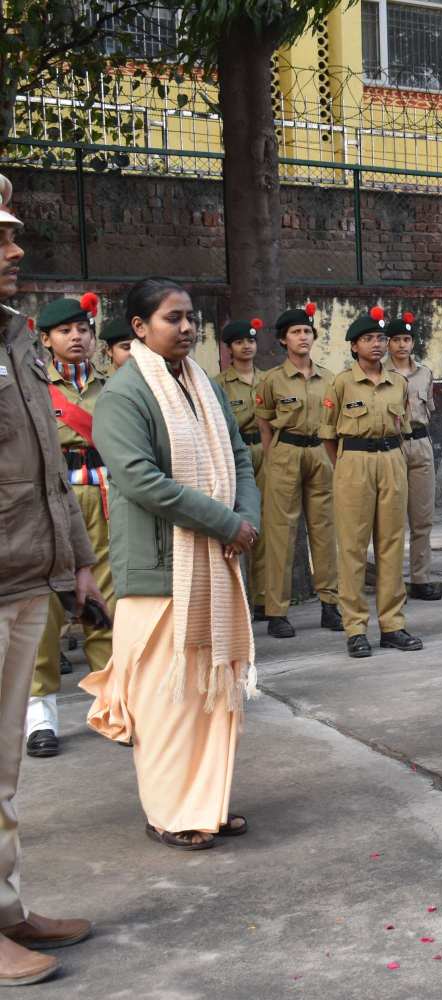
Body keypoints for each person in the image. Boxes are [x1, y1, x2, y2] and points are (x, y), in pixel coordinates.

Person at [82, 276, 259, 853]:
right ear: (139, 328)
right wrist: (224, 521)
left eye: (189, 318)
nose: (186, 328)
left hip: (215, 559)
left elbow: (238, 455)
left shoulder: (199, 383)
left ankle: (205, 805)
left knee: (212, 693)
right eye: (172, 318)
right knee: (165, 700)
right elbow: (140, 481)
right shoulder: (124, 394)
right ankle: (169, 812)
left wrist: (245, 517)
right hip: (159, 570)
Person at [0, 173, 101, 984]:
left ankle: (6, 909)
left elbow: (42, 470)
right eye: (0, 238)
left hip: (25, 572)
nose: (15, 249)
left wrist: (76, 561)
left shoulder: (13, 341)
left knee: (4, 767)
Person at [25, 294, 114, 759]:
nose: (77, 337)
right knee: (48, 607)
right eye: (65, 331)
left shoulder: (113, 384)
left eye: (83, 329)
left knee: (106, 599)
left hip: (107, 499)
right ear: (45, 339)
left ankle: (110, 703)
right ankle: (41, 712)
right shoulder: (34, 386)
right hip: (57, 503)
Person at [321, 307, 423, 659]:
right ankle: (355, 628)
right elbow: (328, 434)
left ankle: (393, 625)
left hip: (393, 459)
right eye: (368, 339)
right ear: (354, 347)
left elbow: (404, 426)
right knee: (352, 547)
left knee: (392, 544)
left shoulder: (399, 383)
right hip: (354, 462)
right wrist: (347, 465)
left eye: (380, 338)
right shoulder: (342, 383)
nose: (377, 344)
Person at [254, 303, 341, 638]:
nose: (303, 337)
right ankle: (277, 611)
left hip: (320, 452)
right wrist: (273, 457)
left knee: (325, 529)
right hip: (285, 452)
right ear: (283, 341)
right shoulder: (272, 381)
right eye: (296, 333)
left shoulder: (330, 380)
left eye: (307, 332)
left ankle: (330, 605)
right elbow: (264, 426)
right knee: (280, 534)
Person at [213, 318, 267, 619]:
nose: (247, 346)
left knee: (264, 525)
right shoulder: (218, 384)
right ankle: (238, 600)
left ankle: (263, 600)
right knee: (236, 525)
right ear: (230, 348)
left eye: (251, 341)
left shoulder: (269, 379)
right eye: (239, 342)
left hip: (266, 449)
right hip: (235, 453)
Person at [386, 312, 440, 602]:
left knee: (422, 518)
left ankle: (421, 579)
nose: (402, 345)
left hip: (421, 443)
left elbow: (429, 408)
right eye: (396, 340)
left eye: (406, 339)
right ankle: (393, 582)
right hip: (392, 445)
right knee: (392, 519)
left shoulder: (425, 373)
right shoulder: (380, 374)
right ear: (388, 344)